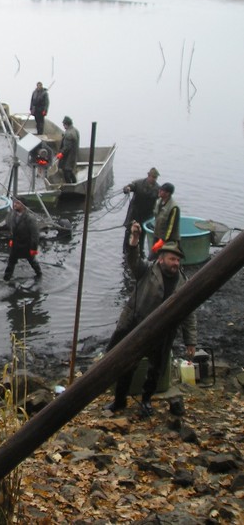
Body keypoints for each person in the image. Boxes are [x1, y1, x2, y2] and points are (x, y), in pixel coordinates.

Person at [105, 222, 196, 418]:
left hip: (163, 333)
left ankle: (146, 400)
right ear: (161, 259)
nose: (176, 263)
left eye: (178, 260)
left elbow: (189, 313)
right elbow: (133, 260)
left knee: (156, 370)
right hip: (138, 326)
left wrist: (190, 341)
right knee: (127, 364)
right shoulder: (146, 270)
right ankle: (119, 400)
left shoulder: (184, 282)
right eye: (172, 259)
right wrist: (135, 239)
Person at [3, 197, 42, 280]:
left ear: (23, 206)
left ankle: (39, 274)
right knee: (11, 262)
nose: (15, 204)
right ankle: (6, 278)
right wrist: (11, 239)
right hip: (15, 244)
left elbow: (35, 234)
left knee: (32, 261)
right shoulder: (12, 215)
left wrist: (33, 248)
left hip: (26, 245)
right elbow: (11, 228)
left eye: (17, 203)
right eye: (14, 203)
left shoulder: (30, 218)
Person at [122, 167, 160, 253]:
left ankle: (140, 252)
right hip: (134, 213)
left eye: (156, 178)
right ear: (148, 175)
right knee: (129, 232)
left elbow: (161, 201)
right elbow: (130, 186)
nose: (154, 179)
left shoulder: (158, 189)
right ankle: (125, 251)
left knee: (142, 234)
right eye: (153, 177)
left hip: (147, 215)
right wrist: (127, 189)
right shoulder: (138, 183)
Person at [56, 115, 80, 184]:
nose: (63, 126)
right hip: (74, 154)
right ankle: (75, 183)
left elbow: (67, 147)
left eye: (64, 124)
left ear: (66, 124)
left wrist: (61, 153)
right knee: (70, 170)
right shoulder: (75, 130)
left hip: (68, 157)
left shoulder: (69, 134)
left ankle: (70, 186)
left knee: (66, 171)